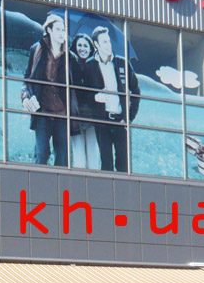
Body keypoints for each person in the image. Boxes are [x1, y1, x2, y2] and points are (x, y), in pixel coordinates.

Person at [81, 26, 140, 172]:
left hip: (121, 121)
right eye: (104, 42)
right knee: (106, 163)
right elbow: (83, 94)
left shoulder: (122, 63)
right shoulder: (89, 66)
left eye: (108, 41)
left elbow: (136, 91)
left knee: (124, 164)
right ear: (96, 45)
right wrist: (95, 97)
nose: (108, 45)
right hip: (102, 122)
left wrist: (129, 117)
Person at [21, 13, 70, 167]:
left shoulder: (69, 57)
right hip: (43, 111)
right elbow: (27, 78)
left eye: (63, 30)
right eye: (58, 29)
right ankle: (38, 180)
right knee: (42, 153)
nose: (62, 33)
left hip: (62, 113)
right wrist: (26, 97)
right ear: (49, 30)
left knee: (63, 157)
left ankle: (60, 182)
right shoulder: (37, 50)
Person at [68, 33, 101, 170]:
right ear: (75, 47)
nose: (82, 49)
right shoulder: (70, 66)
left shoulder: (96, 67)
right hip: (76, 120)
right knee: (79, 161)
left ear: (91, 49)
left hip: (93, 120)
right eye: (80, 45)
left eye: (86, 46)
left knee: (93, 162)